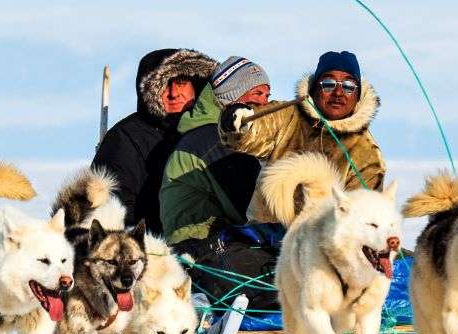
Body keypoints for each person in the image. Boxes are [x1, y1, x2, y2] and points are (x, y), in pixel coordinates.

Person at [219, 50, 386, 191]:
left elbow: (362, 215)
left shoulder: (367, 153)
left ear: (358, 96)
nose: (338, 92)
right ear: (314, 89)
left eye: (349, 86)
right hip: (265, 227)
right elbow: (259, 126)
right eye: (328, 83)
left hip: (324, 230)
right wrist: (241, 120)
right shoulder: (288, 115)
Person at [91, 47, 216, 232]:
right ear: (150, 91)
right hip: (151, 246)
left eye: (181, 83)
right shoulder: (125, 138)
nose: (174, 93)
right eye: (164, 85)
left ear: (196, 86)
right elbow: (116, 209)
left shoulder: (215, 131)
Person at [159, 56, 272, 252]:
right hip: (200, 253)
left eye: (268, 96)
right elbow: (246, 206)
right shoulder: (211, 139)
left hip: (217, 246)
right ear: (231, 96)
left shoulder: (220, 137)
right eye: (257, 93)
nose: (265, 103)